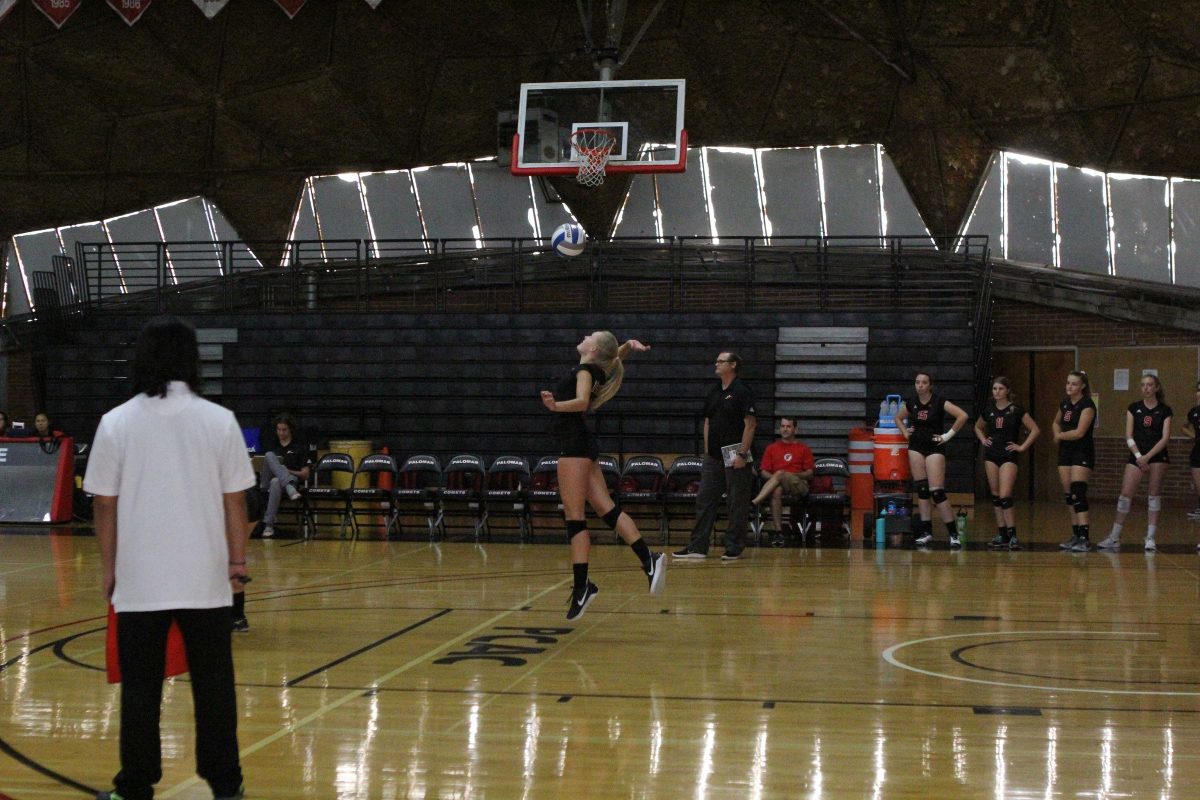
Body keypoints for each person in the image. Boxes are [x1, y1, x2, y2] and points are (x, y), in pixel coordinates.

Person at [83, 315, 253, 800]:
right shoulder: (219, 420)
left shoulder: (115, 423)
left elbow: (103, 504)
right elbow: (235, 500)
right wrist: (237, 564)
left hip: (140, 580)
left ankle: (135, 786)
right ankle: (226, 784)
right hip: (205, 579)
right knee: (214, 688)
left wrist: (110, 570)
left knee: (141, 690)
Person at [539, 331, 663, 621]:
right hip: (582, 445)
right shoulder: (594, 367)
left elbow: (582, 401)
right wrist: (627, 347)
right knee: (606, 509)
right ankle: (649, 560)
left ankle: (583, 586)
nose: (584, 335)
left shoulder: (585, 370)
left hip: (574, 447)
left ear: (592, 349)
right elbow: (611, 360)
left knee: (574, 518)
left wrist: (555, 406)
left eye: (590, 335)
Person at [674, 351, 757, 561]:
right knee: (704, 498)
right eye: (716, 360)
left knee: (737, 501)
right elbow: (708, 422)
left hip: (735, 450)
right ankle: (698, 546)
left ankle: (734, 546)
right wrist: (707, 450)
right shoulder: (714, 392)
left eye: (721, 361)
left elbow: (750, 424)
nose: (716, 363)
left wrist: (742, 453)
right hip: (713, 455)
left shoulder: (742, 391)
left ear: (733, 365)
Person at [1097, 374, 1172, 551]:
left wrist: (1148, 457)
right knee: (1125, 495)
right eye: (1143, 385)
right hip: (1137, 455)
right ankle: (1114, 537)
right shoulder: (1134, 408)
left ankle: (1150, 537)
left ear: (1156, 388)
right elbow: (1129, 436)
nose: (1146, 388)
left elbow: (1165, 438)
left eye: (1150, 385)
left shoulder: (1165, 410)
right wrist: (1139, 456)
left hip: (1158, 455)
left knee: (1153, 495)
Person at [894, 372, 969, 548]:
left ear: (930, 385)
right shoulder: (911, 402)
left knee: (937, 492)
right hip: (916, 447)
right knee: (922, 490)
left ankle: (953, 534)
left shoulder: (939, 401)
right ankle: (926, 532)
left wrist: (947, 436)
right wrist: (905, 433)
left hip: (935, 447)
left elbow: (963, 416)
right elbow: (897, 417)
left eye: (924, 382)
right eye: (917, 382)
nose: (920, 385)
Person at [974, 376, 1040, 550]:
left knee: (1005, 495)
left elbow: (1035, 429)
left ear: (1008, 391)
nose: (997, 392)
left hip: (1008, 455)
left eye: (1001, 389)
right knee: (996, 495)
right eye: (995, 389)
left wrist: (1022, 447)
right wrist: (983, 439)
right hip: (991, 454)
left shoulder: (1016, 410)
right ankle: (1002, 533)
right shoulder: (988, 410)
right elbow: (977, 426)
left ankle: (1013, 535)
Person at [751, 416, 814, 547]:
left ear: (795, 429)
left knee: (780, 473)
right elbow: (763, 472)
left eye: (788, 426)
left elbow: (809, 473)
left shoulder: (804, 449)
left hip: (798, 484)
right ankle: (778, 532)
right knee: (776, 489)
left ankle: (756, 502)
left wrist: (790, 475)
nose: (785, 429)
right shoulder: (771, 448)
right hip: (779, 483)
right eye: (783, 426)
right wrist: (779, 478)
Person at [1053, 370, 1097, 552]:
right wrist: (1057, 433)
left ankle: (1085, 538)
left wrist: (1061, 435)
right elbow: (1055, 422)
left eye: (1074, 384)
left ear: (1082, 386)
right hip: (1065, 453)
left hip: (1082, 452)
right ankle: (1076, 534)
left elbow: (1080, 432)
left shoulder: (1087, 405)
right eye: (1068, 383)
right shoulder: (1064, 404)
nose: (1069, 386)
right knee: (1069, 496)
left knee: (1078, 493)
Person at [258, 413, 310, 538]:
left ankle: (268, 525)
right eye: (279, 430)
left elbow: (305, 474)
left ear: (290, 429)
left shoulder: (299, 448)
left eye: (284, 430)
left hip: (279, 483)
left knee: (276, 481)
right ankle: (289, 486)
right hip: (266, 482)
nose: (281, 433)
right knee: (269, 454)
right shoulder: (272, 445)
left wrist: (288, 471)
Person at [231, 487, 265, 633]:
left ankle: (236, 617)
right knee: (234, 560)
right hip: (250, 498)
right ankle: (238, 618)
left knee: (229, 562)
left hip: (238, 502)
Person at [1186, 381, 1200, 529]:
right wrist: (1194, 436)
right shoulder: (1194, 412)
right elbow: (1184, 427)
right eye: (1198, 390)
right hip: (1197, 453)